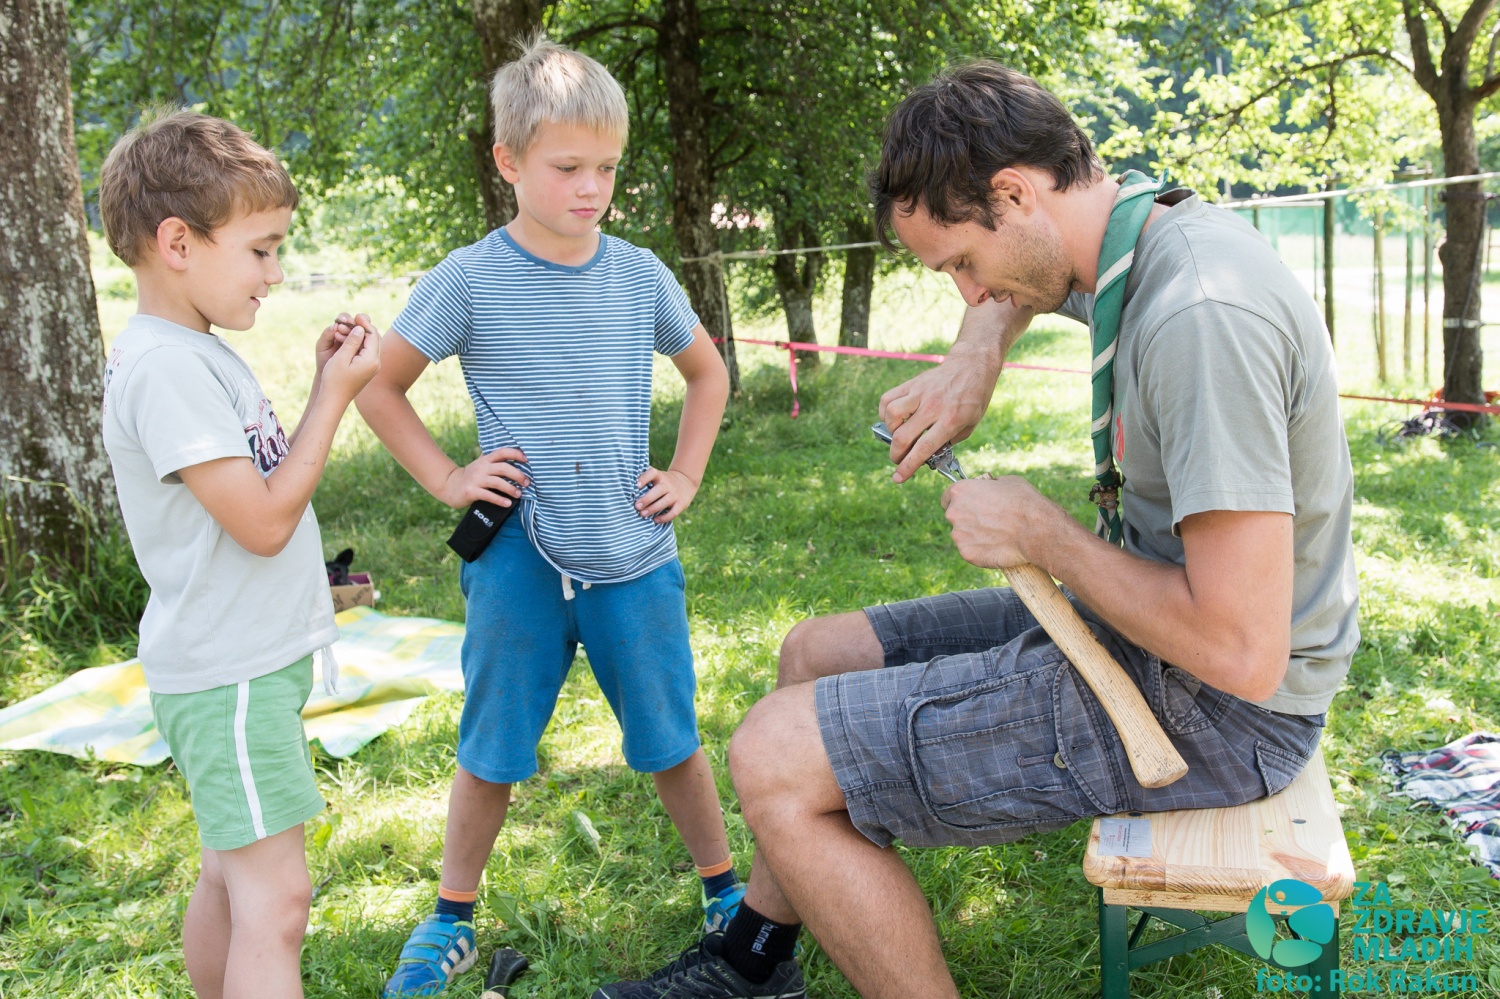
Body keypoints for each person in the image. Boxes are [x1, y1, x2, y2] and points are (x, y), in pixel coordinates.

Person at [593, 61, 1359, 999]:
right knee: (814, 653)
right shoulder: (1134, 233)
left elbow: (1243, 649)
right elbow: (1031, 280)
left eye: (959, 263)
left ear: (1013, 193)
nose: (967, 292)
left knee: (768, 755)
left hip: (1225, 711)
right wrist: (976, 358)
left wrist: (1044, 534)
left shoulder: (1201, 318)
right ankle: (756, 956)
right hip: (1158, 640)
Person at [353, 36, 737, 998]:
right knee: (492, 746)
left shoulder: (640, 275)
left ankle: (726, 896)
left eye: (606, 167)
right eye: (568, 167)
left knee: (671, 738)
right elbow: (378, 386)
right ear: (509, 162)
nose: (591, 187)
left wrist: (685, 474)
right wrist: (449, 476)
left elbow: (707, 373)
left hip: (633, 549)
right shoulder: (466, 280)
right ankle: (450, 919)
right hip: (516, 557)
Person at [98, 110, 382, 999]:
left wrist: (315, 586)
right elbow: (261, 521)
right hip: (229, 677)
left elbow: (253, 504)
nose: (276, 272)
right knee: (279, 900)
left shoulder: (193, 354)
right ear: (177, 241)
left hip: (240, 667)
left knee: (231, 873)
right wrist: (333, 401)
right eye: (260, 250)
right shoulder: (167, 369)